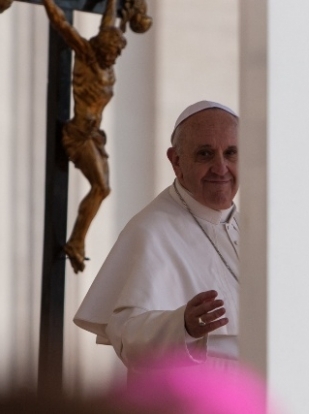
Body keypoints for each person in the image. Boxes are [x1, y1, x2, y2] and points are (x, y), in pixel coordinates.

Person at [73, 100, 240, 375]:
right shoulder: (151, 230)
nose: (220, 168)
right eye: (205, 154)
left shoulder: (255, 229)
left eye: (231, 153)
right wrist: (182, 326)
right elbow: (126, 333)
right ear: (176, 161)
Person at [42, 0, 128, 274]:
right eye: (113, 51)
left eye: (117, 52)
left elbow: (108, 20)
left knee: (105, 189)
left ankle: (76, 242)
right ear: (103, 47)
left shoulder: (106, 62)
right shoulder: (88, 55)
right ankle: (76, 242)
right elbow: (61, 22)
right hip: (78, 135)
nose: (115, 56)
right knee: (100, 188)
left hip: (94, 136)